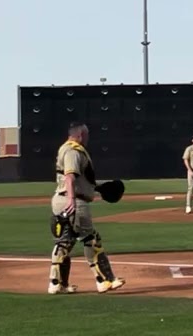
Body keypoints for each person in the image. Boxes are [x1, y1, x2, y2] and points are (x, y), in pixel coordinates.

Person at [48, 122, 125, 295]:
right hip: (73, 201)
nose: (88, 138)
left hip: (62, 199)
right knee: (91, 239)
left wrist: (97, 187)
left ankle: (57, 283)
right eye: (87, 134)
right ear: (81, 135)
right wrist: (72, 200)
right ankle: (104, 280)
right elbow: (70, 177)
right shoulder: (73, 151)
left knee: (65, 242)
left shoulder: (66, 149)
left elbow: (78, 179)